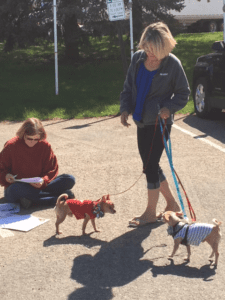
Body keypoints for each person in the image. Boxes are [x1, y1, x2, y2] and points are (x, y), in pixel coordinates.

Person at [120, 22, 190, 227]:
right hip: (142, 121)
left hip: (160, 123)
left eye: (155, 51)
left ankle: (150, 213)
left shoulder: (173, 64)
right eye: (147, 49)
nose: (150, 55)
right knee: (150, 165)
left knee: (150, 167)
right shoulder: (136, 59)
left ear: (165, 48)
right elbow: (127, 88)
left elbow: (184, 93)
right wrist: (125, 109)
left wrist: (169, 108)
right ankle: (172, 204)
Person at [0, 118, 75, 209]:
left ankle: (31, 200)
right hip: (19, 186)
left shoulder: (44, 146)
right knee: (14, 190)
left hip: (40, 185)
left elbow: (52, 168)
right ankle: (57, 198)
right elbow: (1, 168)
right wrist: (6, 176)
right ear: (23, 134)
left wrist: (44, 180)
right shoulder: (11, 145)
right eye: (29, 138)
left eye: (36, 139)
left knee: (69, 179)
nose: (32, 142)